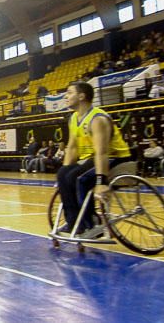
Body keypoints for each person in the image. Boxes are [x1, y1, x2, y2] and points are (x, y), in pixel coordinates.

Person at [57, 82, 131, 238]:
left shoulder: (97, 119)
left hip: (116, 157)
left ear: (82, 96)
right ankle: (73, 223)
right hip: (92, 158)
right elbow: (72, 148)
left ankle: (91, 223)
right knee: (64, 174)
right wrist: (63, 176)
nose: (66, 96)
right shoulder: (73, 118)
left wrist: (101, 182)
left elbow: (102, 152)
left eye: (69, 93)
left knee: (79, 179)